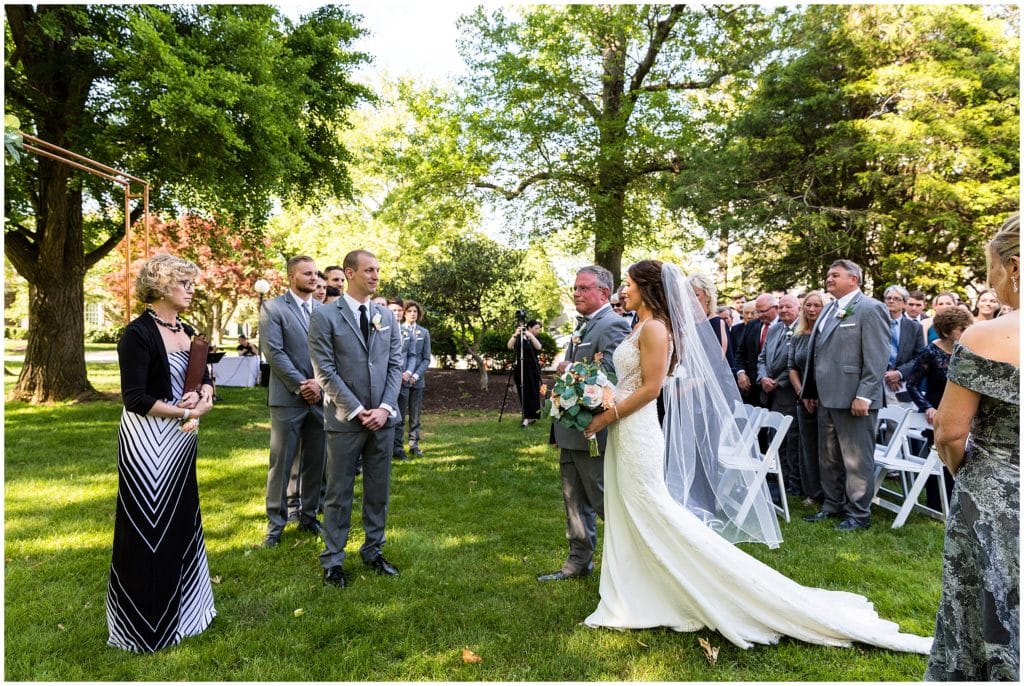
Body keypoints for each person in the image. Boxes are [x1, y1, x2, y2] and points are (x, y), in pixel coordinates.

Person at [580, 259, 930, 654]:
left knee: (651, 506)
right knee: (629, 507)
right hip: (623, 427)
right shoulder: (638, 325)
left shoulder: (658, 328)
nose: (623, 290)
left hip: (637, 428)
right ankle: (635, 584)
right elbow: (628, 380)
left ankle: (694, 582)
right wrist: (598, 393)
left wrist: (606, 415)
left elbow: (651, 389)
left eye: (628, 284)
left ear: (647, 287)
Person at [926, 213, 1020, 681]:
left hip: (995, 497)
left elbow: (949, 433)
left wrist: (968, 474)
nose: (992, 284)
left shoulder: (986, 337)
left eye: (992, 272)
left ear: (1016, 267)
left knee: (981, 614)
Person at [107, 254, 216, 653]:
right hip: (147, 442)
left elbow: (203, 377)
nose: (191, 289)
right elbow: (135, 398)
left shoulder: (186, 330)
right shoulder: (136, 334)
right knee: (147, 529)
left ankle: (187, 616)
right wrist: (187, 410)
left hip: (182, 441)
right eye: (184, 282)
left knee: (182, 522)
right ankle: (144, 628)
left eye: (191, 282)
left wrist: (204, 393)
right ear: (161, 285)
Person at [308, 250, 403, 588]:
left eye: (378, 269)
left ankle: (373, 550)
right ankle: (333, 560)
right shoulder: (325, 316)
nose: (376, 276)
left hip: (382, 420)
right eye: (369, 270)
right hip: (345, 420)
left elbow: (395, 365)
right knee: (338, 492)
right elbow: (325, 370)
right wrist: (357, 409)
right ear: (350, 272)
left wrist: (384, 408)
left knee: (378, 490)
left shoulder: (386, 317)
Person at [537, 265, 631, 582]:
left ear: (604, 292)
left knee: (603, 501)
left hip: (592, 430)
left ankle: (627, 566)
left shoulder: (613, 325)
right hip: (569, 429)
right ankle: (578, 561)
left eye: (583, 288)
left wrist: (569, 368)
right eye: (575, 288)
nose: (576, 293)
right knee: (573, 500)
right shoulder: (583, 325)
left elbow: (615, 380)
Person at [800, 260, 890, 531]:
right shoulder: (829, 308)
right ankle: (832, 505)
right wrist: (810, 390)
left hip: (855, 398)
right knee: (828, 457)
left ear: (854, 280)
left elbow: (877, 357)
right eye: (828, 274)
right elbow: (818, 352)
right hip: (826, 397)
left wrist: (865, 395)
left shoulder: (870, 308)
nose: (829, 278)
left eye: (835, 275)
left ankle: (859, 515)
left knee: (856, 459)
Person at [259, 255, 326, 548]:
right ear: (291, 277)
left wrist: (320, 384)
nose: (314, 278)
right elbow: (274, 353)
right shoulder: (273, 308)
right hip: (288, 398)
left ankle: (309, 517)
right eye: (307, 274)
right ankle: (276, 524)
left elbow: (331, 355)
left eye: (315, 274)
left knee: (316, 462)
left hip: (321, 399)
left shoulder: (325, 311)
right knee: (282, 463)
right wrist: (302, 385)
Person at [905, 307, 973, 510]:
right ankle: (937, 504)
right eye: (961, 329)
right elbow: (912, 384)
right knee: (940, 458)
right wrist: (927, 407)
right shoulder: (930, 352)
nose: (966, 332)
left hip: (965, 413)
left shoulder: (968, 352)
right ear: (946, 330)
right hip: (937, 413)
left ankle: (960, 502)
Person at [756, 293, 802, 496]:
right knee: (777, 438)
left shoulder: (802, 329)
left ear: (798, 309)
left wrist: (778, 382)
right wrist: (764, 378)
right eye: (781, 307)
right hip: (771, 394)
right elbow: (762, 357)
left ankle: (794, 483)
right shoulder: (775, 329)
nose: (784, 310)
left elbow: (796, 363)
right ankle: (781, 478)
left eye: (788, 307)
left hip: (789, 393)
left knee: (792, 441)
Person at [787, 291, 827, 506]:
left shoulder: (827, 334)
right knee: (807, 445)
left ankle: (830, 492)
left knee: (826, 447)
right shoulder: (798, 334)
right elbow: (792, 366)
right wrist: (803, 393)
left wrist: (816, 393)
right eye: (808, 305)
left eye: (817, 305)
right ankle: (812, 492)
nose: (811, 309)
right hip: (803, 398)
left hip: (824, 397)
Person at [395, 300, 431, 457]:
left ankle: (414, 445)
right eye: (409, 311)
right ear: (404, 313)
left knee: (415, 416)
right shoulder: (397, 329)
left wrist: (415, 375)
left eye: (415, 311)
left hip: (417, 381)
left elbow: (426, 358)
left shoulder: (424, 333)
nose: (412, 314)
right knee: (400, 416)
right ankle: (397, 447)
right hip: (401, 379)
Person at [882, 285, 926, 409]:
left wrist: (899, 373)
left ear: (904, 303)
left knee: (897, 426)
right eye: (888, 298)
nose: (891, 301)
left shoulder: (914, 327)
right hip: (877, 382)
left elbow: (920, 357)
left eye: (896, 298)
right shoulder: (876, 323)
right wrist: (887, 374)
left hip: (901, 385)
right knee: (872, 426)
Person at [734, 293, 777, 406]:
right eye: (758, 312)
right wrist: (741, 373)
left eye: (764, 311)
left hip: (775, 386)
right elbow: (740, 353)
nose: (760, 315)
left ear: (775, 308)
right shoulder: (752, 325)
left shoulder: (784, 325)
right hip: (751, 387)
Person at [507, 318, 544, 428]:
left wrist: (530, 336)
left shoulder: (535, 338)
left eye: (539, 328)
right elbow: (509, 346)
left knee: (532, 391)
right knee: (523, 391)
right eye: (536, 328)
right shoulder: (519, 338)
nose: (538, 330)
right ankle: (526, 415)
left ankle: (531, 416)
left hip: (532, 368)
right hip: (520, 368)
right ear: (529, 327)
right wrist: (515, 334)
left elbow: (539, 347)